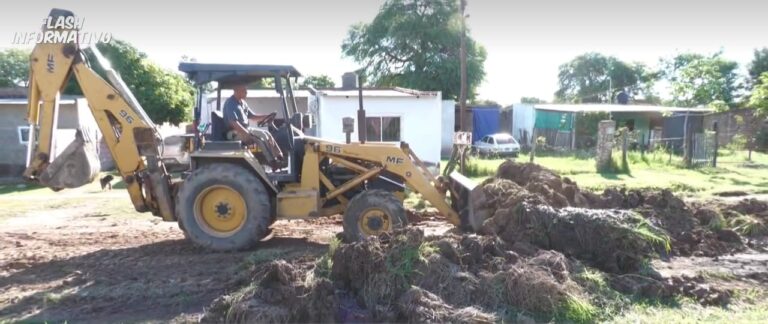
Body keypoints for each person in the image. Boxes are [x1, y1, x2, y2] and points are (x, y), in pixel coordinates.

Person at [223, 84, 285, 168]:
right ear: (236, 91)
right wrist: (246, 134)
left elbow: (253, 117)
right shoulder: (230, 103)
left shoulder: (243, 103)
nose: (246, 92)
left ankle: (279, 156)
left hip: (245, 129)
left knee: (267, 134)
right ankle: (272, 162)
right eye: (244, 91)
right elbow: (233, 123)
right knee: (260, 137)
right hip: (234, 132)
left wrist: (267, 116)